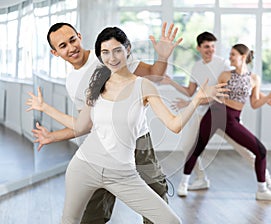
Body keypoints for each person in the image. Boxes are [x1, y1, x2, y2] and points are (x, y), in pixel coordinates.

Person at [49, 26, 228, 223]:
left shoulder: (143, 85)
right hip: (85, 165)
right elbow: (83, 125)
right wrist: (46, 112)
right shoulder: (95, 81)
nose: (112, 58)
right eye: (106, 53)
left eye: (117, 50)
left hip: (124, 167)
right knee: (80, 219)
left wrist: (196, 98)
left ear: (128, 49)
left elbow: (174, 124)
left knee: (168, 218)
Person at [26, 22, 183, 224]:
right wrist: (52, 136)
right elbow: (86, 124)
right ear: (55, 52)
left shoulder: (110, 52)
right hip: (102, 149)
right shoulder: (72, 82)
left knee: (155, 199)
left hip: (138, 142)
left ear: (79, 36)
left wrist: (163, 56)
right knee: (93, 213)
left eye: (72, 40)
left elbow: (156, 74)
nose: (71, 47)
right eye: (62, 46)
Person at [160, 31, 271, 196]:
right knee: (191, 147)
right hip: (210, 112)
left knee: (249, 153)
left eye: (213, 46)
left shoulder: (225, 64)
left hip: (229, 116)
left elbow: (245, 85)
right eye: (207, 46)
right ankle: (195, 180)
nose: (211, 50)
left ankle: (268, 184)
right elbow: (192, 91)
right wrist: (172, 83)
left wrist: (268, 97)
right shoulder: (199, 67)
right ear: (199, 48)